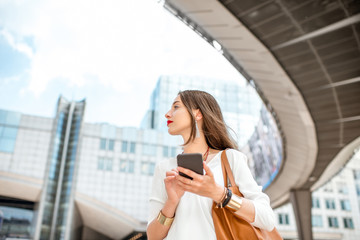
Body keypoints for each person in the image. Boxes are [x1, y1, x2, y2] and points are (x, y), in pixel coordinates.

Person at [147, 90, 276, 240]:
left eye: (176, 107)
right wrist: (172, 201)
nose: (167, 114)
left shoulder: (230, 159)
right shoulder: (165, 169)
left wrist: (220, 194)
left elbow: (267, 219)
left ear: (198, 114)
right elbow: (153, 237)